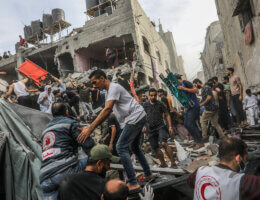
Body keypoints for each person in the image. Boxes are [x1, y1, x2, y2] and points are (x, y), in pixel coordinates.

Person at [77, 69, 153, 192]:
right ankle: (148, 173)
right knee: (135, 148)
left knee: (121, 147)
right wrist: (90, 125)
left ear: (102, 78)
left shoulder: (114, 88)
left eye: (95, 82)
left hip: (134, 117)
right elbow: (106, 111)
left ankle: (133, 183)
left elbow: (107, 110)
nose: (94, 86)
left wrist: (90, 129)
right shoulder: (109, 92)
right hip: (136, 116)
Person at [40, 102, 95, 200]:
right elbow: (88, 144)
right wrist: (86, 132)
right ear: (66, 111)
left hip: (44, 177)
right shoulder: (69, 123)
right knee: (93, 161)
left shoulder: (45, 129)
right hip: (64, 171)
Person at [188, 137, 260, 200]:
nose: (245, 161)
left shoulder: (200, 171)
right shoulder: (243, 181)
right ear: (238, 158)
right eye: (245, 158)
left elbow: (190, 182)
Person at [143, 88, 176, 168]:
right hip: (151, 128)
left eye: (155, 95)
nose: (153, 97)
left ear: (156, 95)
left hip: (160, 126)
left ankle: (173, 163)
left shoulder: (160, 104)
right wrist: (143, 125)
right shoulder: (145, 105)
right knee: (155, 147)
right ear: (149, 95)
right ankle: (163, 163)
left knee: (164, 143)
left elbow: (167, 114)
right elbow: (143, 115)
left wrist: (170, 126)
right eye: (151, 95)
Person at [175, 74, 203, 147]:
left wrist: (184, 89)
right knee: (187, 124)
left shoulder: (185, 82)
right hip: (189, 107)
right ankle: (196, 140)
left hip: (194, 105)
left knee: (190, 124)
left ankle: (199, 141)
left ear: (178, 79)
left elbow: (196, 90)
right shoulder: (179, 86)